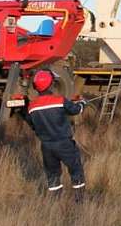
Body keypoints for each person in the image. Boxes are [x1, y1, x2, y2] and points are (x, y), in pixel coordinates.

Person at [26, 69, 87, 200]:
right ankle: (79, 200)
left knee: (52, 174)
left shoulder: (32, 107)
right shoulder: (60, 100)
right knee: (76, 170)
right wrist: (82, 103)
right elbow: (76, 110)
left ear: (36, 87)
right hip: (64, 144)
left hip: (47, 146)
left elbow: (33, 126)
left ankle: (55, 203)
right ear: (51, 84)